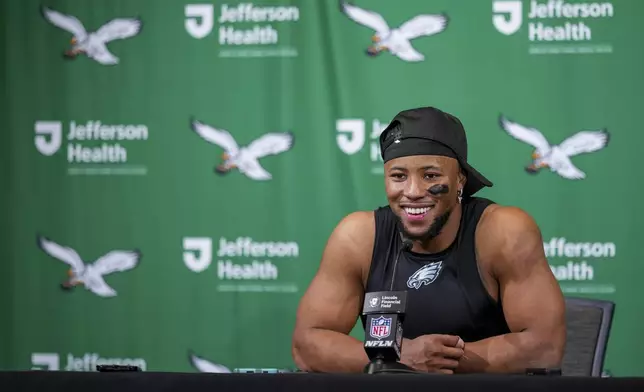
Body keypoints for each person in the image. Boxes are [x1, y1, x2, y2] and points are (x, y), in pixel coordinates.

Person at [291, 106, 566, 374]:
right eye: (398, 176)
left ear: (460, 179)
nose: (412, 192)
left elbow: (545, 346)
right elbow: (307, 345)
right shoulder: (358, 237)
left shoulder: (503, 231)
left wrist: (434, 360)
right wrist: (401, 356)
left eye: (430, 175)